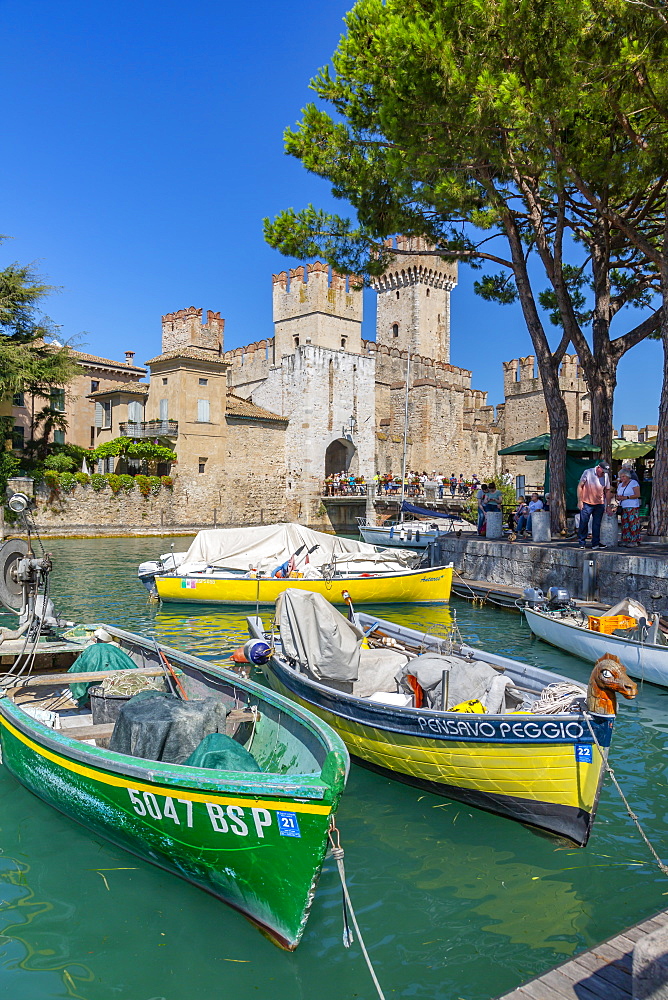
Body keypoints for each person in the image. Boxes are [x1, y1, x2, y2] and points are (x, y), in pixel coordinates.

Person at [577, 460, 612, 549]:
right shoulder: (588, 472)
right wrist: (580, 501)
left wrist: (608, 505)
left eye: (605, 472)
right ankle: (582, 542)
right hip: (587, 502)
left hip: (599, 503)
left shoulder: (606, 476)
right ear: (598, 468)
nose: (603, 473)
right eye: (603, 471)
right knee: (584, 522)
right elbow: (580, 486)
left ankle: (595, 543)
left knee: (597, 524)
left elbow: (607, 491)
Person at [616, 468, 642, 546]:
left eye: (623, 476)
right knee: (625, 524)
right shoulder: (620, 485)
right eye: (621, 477)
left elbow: (637, 494)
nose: (622, 478)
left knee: (633, 523)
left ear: (628, 476)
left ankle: (634, 540)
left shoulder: (633, 483)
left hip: (632, 506)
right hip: (623, 506)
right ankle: (626, 539)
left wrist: (626, 497)